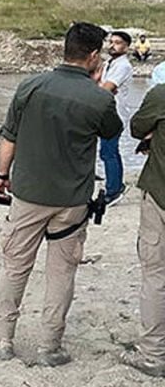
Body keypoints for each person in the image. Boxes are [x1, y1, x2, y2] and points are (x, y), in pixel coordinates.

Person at [0, 22, 123, 366]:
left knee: (15, 266)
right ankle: (50, 346)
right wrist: (97, 88)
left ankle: (2, 340)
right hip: (73, 200)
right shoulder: (99, 97)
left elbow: (9, 137)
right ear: (94, 56)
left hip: (28, 192)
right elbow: (112, 132)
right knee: (62, 272)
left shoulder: (30, 85)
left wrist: (2, 175)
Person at [120, 83, 165, 377]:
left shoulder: (161, 95)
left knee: (156, 274)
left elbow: (137, 127)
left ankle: (154, 353)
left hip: (161, 194)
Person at [99, 30, 134, 206]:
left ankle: (114, 189)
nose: (112, 45)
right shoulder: (109, 63)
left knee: (109, 151)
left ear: (126, 47)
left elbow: (107, 88)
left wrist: (101, 88)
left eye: (118, 42)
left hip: (115, 114)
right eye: (111, 42)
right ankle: (114, 184)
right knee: (108, 151)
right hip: (105, 111)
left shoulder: (123, 66)